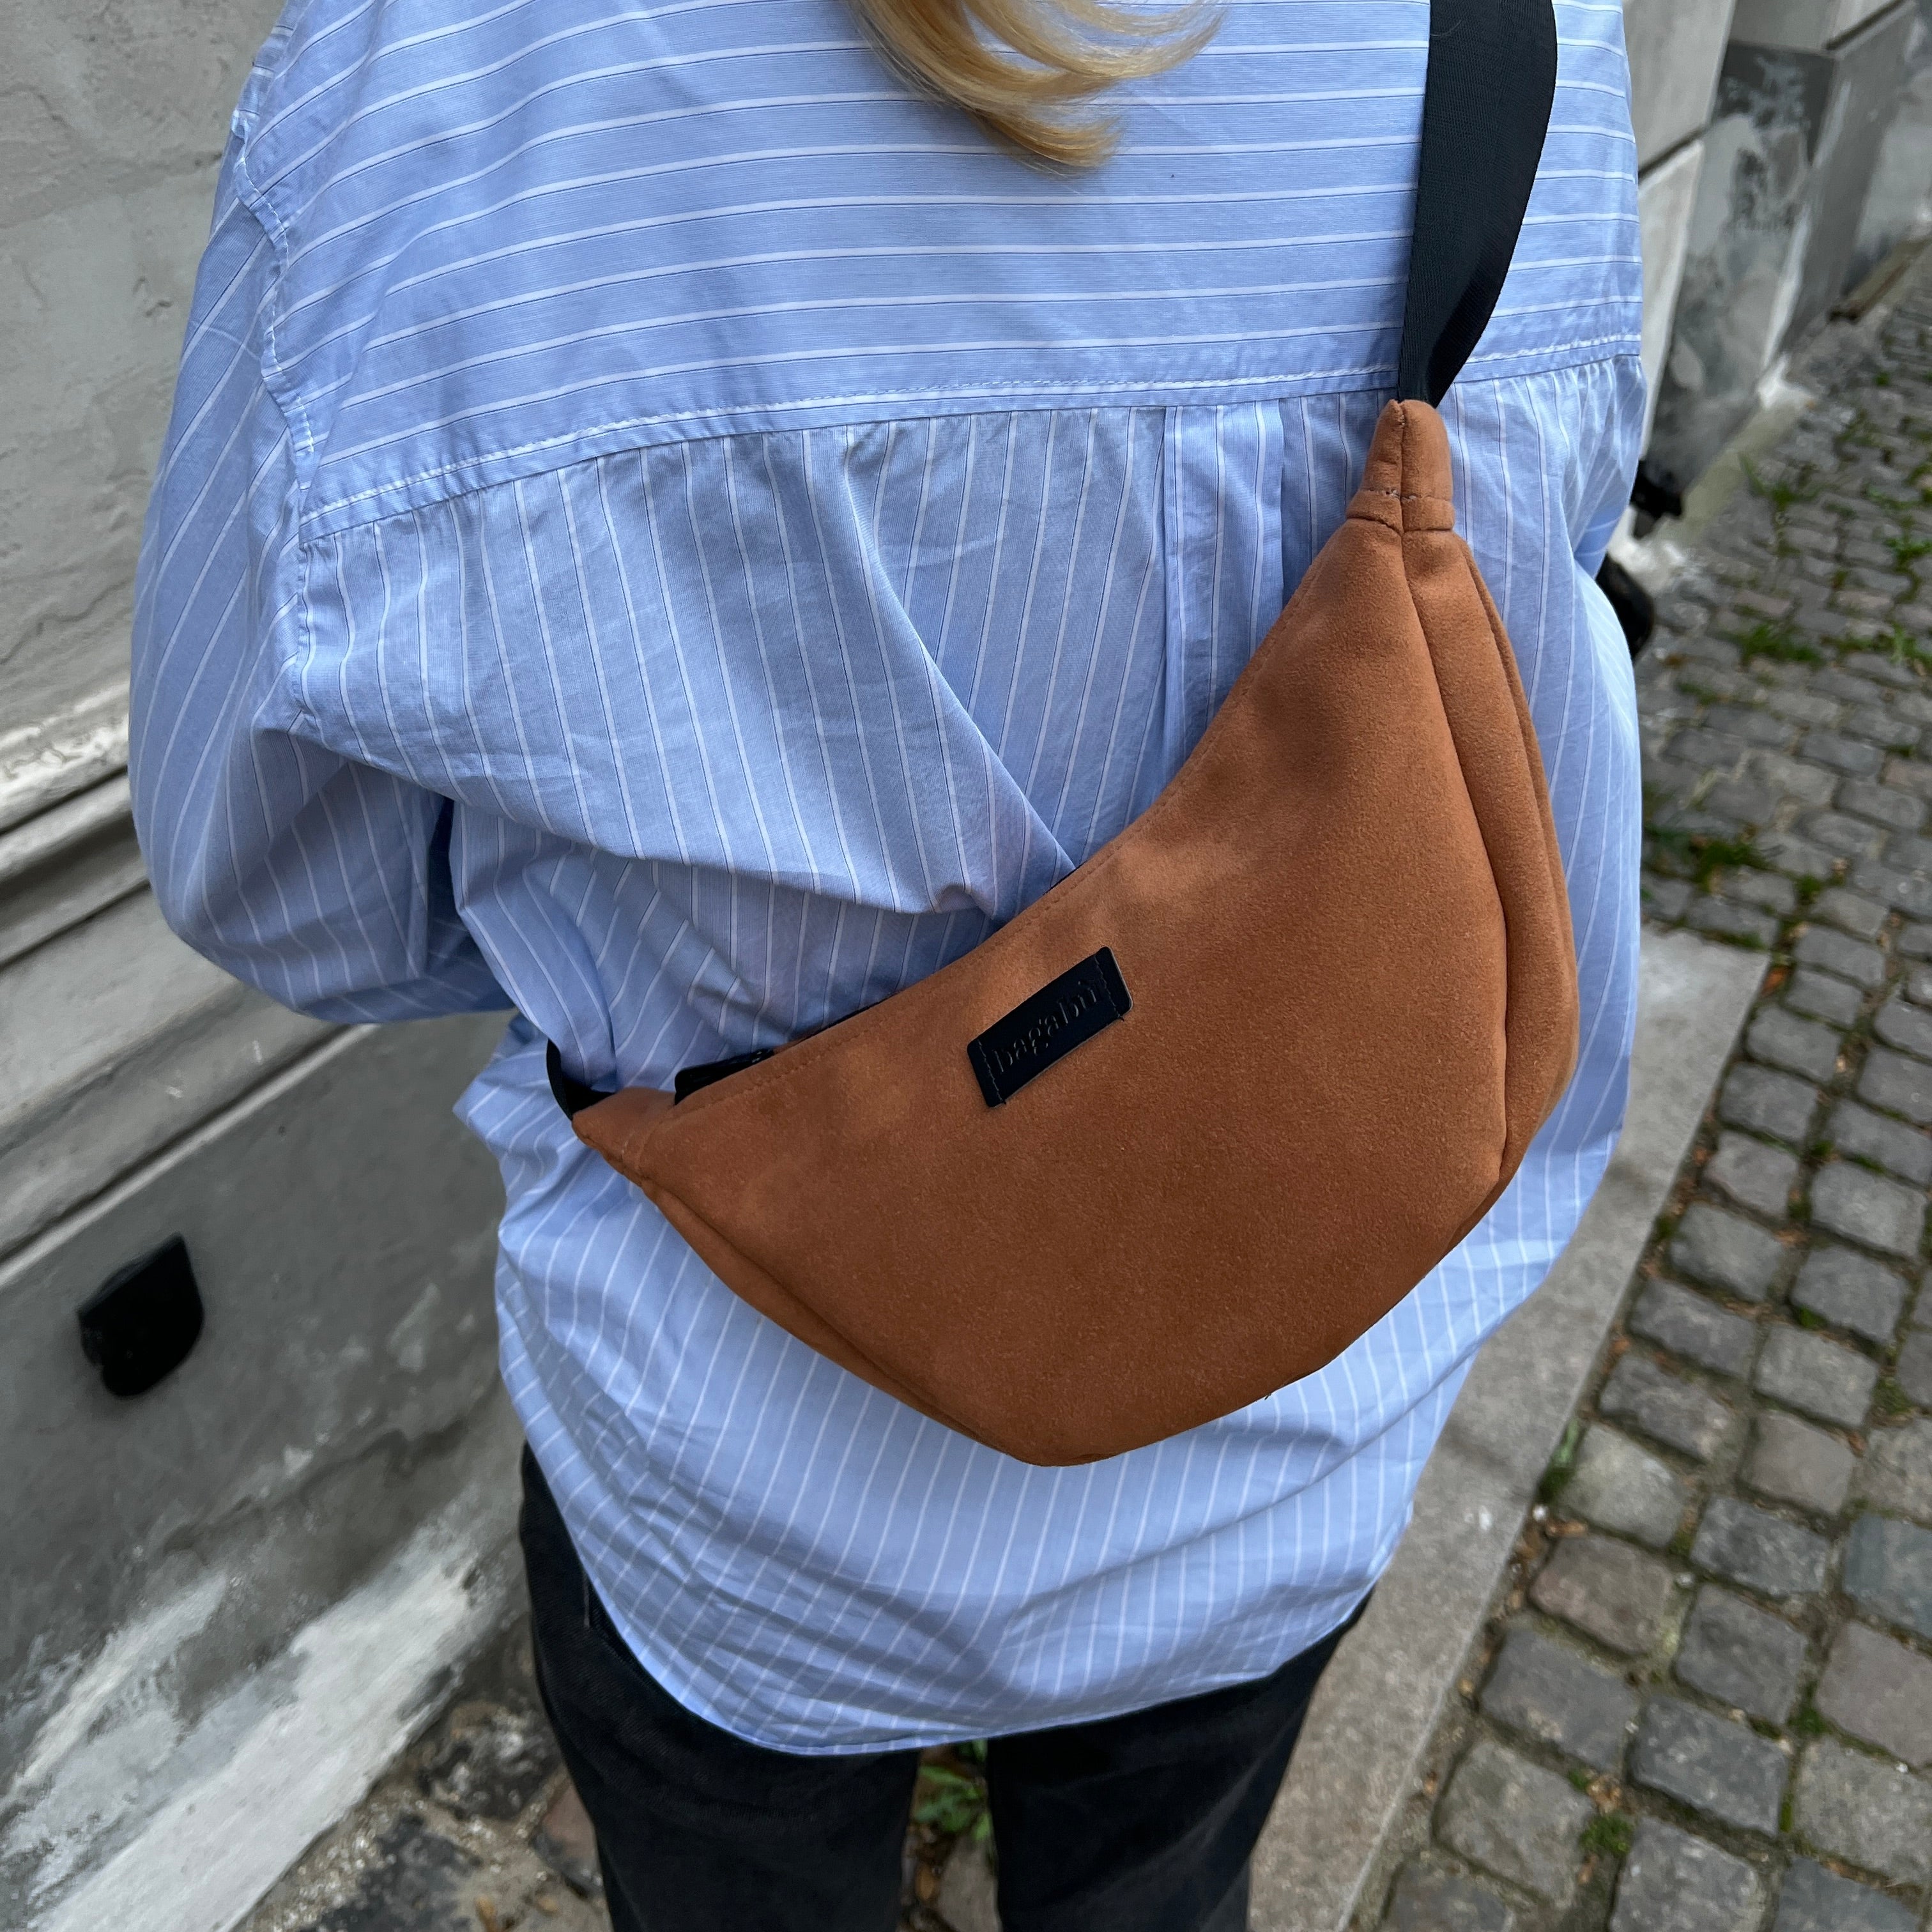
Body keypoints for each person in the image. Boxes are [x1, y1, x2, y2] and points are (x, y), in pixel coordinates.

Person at [130, 0, 1644, 1923]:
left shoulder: (439, 71)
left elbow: (282, 894)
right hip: (1285, 1439)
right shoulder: (1525, 31)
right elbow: (1525, 670)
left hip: (736, 1490)